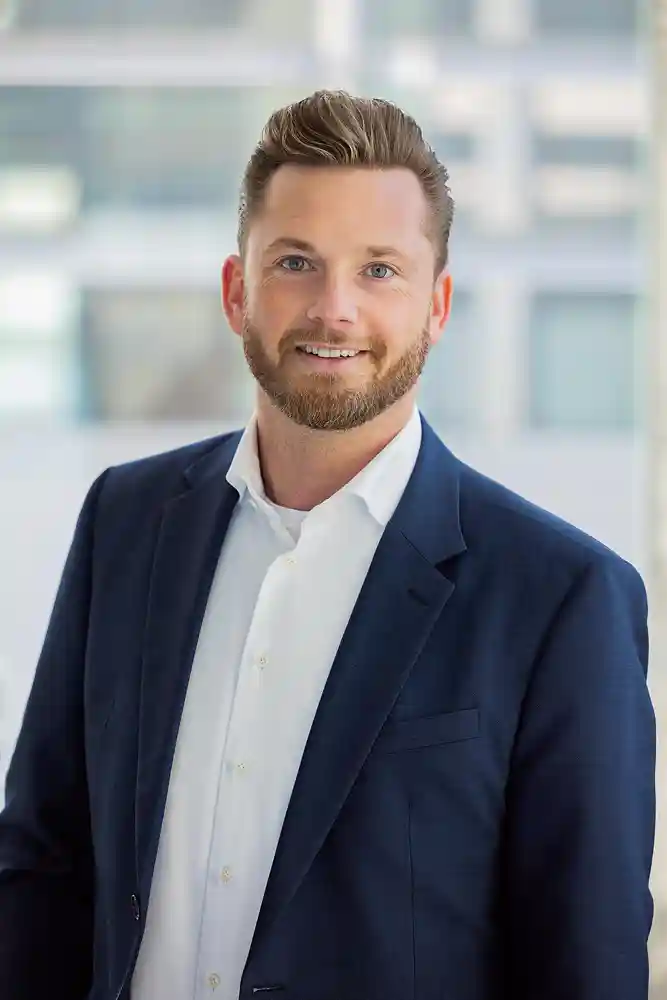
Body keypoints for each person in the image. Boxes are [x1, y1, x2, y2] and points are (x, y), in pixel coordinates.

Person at [0, 90, 656, 1000]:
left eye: (379, 270)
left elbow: (583, 964)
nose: (333, 308)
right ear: (237, 291)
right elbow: (41, 861)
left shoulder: (561, 598)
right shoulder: (127, 521)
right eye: (296, 262)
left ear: (437, 305)